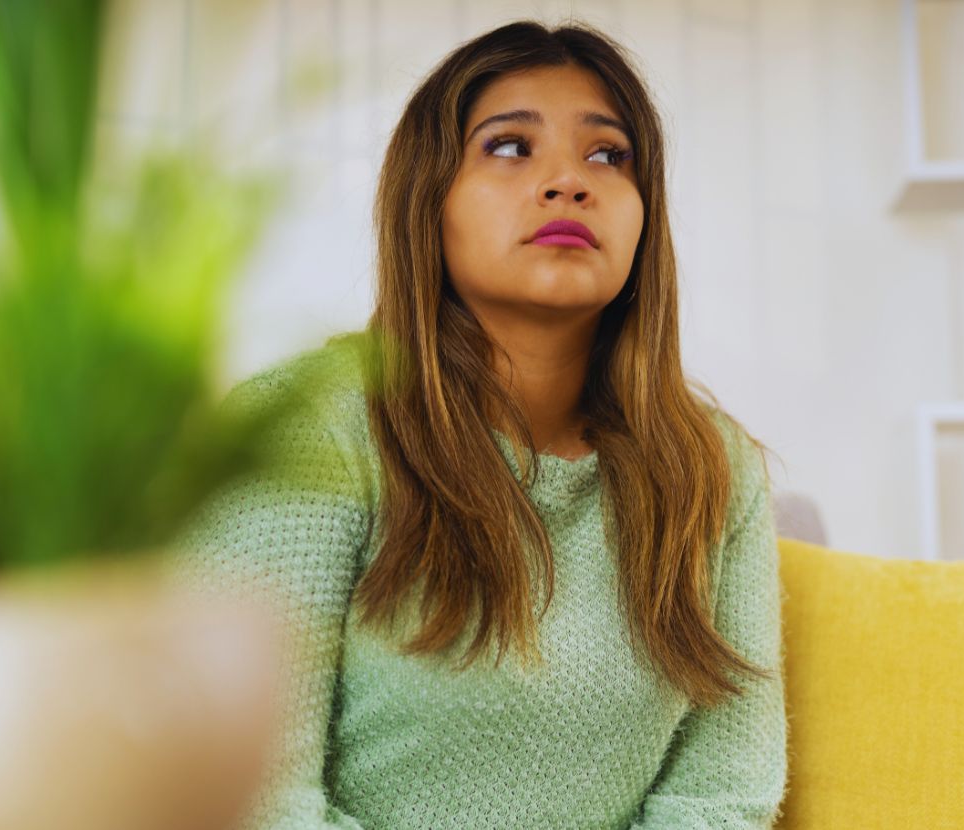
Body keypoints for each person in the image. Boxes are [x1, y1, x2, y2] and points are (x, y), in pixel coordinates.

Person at [170, 18, 788, 830]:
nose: (571, 181)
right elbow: (253, 796)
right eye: (508, 146)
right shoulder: (311, 425)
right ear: (429, 201)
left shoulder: (716, 468)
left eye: (609, 155)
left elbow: (723, 796)